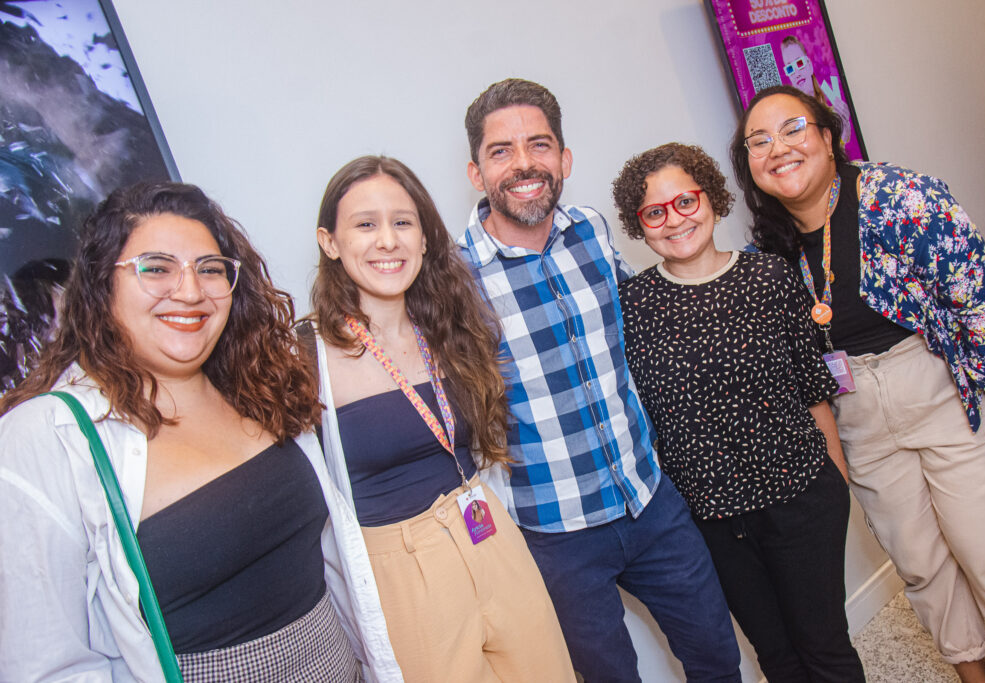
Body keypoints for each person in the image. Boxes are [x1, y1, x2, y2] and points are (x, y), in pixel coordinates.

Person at [0, 182, 401, 681]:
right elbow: (45, 665)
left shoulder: (257, 387)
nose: (189, 291)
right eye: (156, 268)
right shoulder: (45, 437)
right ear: (103, 285)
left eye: (209, 269)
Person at [730, 84, 985, 683]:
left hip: (937, 385)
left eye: (792, 130)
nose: (777, 148)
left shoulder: (900, 196)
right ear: (750, 167)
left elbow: (978, 298)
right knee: (920, 564)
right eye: (758, 141)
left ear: (828, 138)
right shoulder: (768, 248)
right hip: (855, 412)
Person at [458, 78, 741, 683]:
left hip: (650, 500)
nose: (523, 163)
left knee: (718, 656)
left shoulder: (590, 230)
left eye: (539, 144)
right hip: (556, 535)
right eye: (500, 150)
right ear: (476, 173)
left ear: (564, 159)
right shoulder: (453, 279)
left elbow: (645, 320)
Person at [306, 155, 575, 682]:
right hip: (400, 571)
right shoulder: (301, 358)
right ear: (329, 242)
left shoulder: (452, 330)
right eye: (365, 224)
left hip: (489, 533)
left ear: (425, 238)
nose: (388, 240)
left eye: (403, 222)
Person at [612, 142, 864, 682]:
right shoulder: (632, 307)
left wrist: (837, 483)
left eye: (686, 201)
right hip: (715, 523)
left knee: (824, 648)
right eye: (655, 212)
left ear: (711, 198)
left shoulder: (769, 278)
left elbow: (813, 388)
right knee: (775, 655)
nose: (675, 219)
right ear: (641, 225)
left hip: (800, 498)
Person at [780, 35, 851, 146]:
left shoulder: (832, 108)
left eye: (799, 63)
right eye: (790, 68)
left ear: (809, 65)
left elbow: (842, 146)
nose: (797, 73)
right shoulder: (791, 121)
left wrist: (845, 125)